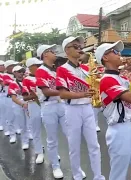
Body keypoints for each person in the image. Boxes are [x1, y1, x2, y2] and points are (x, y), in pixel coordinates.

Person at [95, 41, 131, 180]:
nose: (119, 54)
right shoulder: (106, 79)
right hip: (119, 129)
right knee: (119, 173)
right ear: (105, 58)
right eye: (114, 51)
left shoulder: (122, 77)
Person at [56, 36, 105, 180]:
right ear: (66, 50)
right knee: (74, 146)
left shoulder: (86, 68)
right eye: (75, 46)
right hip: (72, 110)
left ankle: (98, 175)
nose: (79, 48)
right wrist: (83, 94)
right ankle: (77, 175)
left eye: (80, 46)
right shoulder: (62, 69)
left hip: (88, 108)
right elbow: (63, 94)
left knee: (94, 145)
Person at [35, 44, 67, 178]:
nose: (55, 53)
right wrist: (65, 93)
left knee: (70, 135)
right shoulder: (41, 70)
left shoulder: (56, 70)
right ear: (45, 54)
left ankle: (76, 168)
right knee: (52, 139)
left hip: (61, 104)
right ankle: (55, 166)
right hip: (49, 106)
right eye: (52, 51)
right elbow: (46, 91)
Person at [22, 57, 44, 164]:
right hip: (34, 106)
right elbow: (25, 97)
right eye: (37, 65)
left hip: (46, 104)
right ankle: (39, 152)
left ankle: (53, 152)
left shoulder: (44, 76)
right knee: (36, 130)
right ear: (31, 68)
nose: (40, 67)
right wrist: (35, 96)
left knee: (50, 130)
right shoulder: (27, 80)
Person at [8, 65, 30, 149]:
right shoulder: (13, 84)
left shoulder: (27, 81)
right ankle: (25, 141)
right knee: (22, 124)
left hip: (29, 104)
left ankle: (34, 139)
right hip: (18, 106)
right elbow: (13, 98)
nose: (21, 73)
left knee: (31, 123)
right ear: (14, 73)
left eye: (22, 71)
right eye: (19, 71)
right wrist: (22, 104)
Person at [3, 60, 19, 140]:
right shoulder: (5, 75)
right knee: (10, 117)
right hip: (9, 99)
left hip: (18, 98)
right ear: (8, 67)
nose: (14, 67)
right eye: (13, 65)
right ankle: (12, 135)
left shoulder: (17, 74)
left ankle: (18, 129)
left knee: (19, 115)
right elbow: (12, 84)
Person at [0, 60, 6, 132]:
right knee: (1, 111)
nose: (2, 67)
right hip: (1, 94)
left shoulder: (7, 74)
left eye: (3, 65)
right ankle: (1, 124)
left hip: (7, 94)